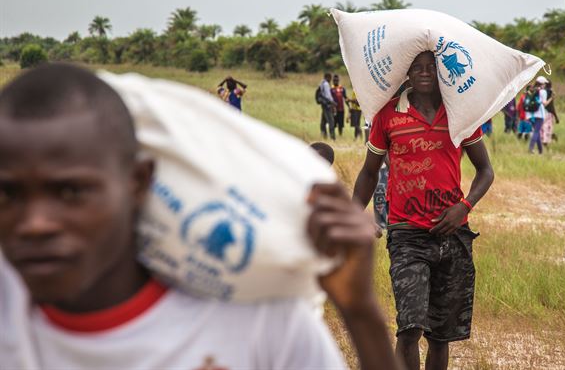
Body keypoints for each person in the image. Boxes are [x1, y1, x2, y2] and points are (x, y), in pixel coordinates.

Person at [0, 64, 400, 370]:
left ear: (137, 183)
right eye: (7, 194)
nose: (35, 223)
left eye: (70, 192)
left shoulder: (257, 314)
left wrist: (360, 310)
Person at [352, 51, 494, 370]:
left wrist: (464, 206)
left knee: (440, 335)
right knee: (410, 328)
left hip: (452, 235)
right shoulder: (388, 116)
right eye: (417, 67)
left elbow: (485, 170)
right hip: (406, 236)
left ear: (442, 72)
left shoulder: (460, 113)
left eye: (431, 67)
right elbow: (369, 172)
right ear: (407, 73)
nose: (425, 73)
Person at [526, 77, 549, 154]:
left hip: (530, 115)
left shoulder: (531, 90)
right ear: (542, 84)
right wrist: (551, 98)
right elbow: (544, 103)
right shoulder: (543, 91)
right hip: (540, 115)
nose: (545, 85)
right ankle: (530, 148)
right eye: (544, 83)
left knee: (537, 132)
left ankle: (540, 150)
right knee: (536, 131)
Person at [319, 73, 337, 140]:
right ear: (327, 77)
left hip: (324, 104)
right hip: (328, 105)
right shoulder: (326, 84)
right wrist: (333, 103)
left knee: (323, 121)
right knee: (331, 121)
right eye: (330, 78)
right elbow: (328, 95)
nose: (331, 80)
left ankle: (324, 135)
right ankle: (332, 137)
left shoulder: (321, 83)